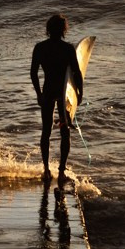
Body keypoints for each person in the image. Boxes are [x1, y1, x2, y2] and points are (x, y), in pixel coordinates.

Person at [29, 14, 85, 188]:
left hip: (47, 92)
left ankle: (46, 170)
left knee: (46, 130)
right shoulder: (67, 49)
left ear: (48, 29)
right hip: (63, 94)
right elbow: (77, 73)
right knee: (64, 131)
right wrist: (79, 94)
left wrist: (38, 93)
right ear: (63, 30)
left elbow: (33, 73)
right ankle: (61, 172)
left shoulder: (40, 47)